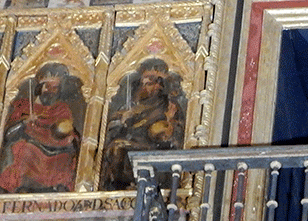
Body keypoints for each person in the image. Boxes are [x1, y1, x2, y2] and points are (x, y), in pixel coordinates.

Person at [101, 58, 187, 190]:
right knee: (115, 148)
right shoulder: (132, 107)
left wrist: (168, 122)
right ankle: (118, 187)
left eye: (155, 82)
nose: (152, 86)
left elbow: (176, 133)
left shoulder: (167, 105)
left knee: (119, 147)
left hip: (153, 148)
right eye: (147, 82)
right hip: (133, 143)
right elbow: (113, 127)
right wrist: (122, 121)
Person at [0, 63, 83, 193]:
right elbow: (7, 134)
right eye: (48, 87)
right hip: (32, 145)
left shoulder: (62, 109)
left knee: (66, 158)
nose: (51, 91)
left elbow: (71, 132)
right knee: (25, 150)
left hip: (57, 148)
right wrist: (25, 122)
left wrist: (71, 137)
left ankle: (57, 189)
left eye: (55, 88)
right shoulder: (24, 106)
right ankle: (22, 187)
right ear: (39, 88)